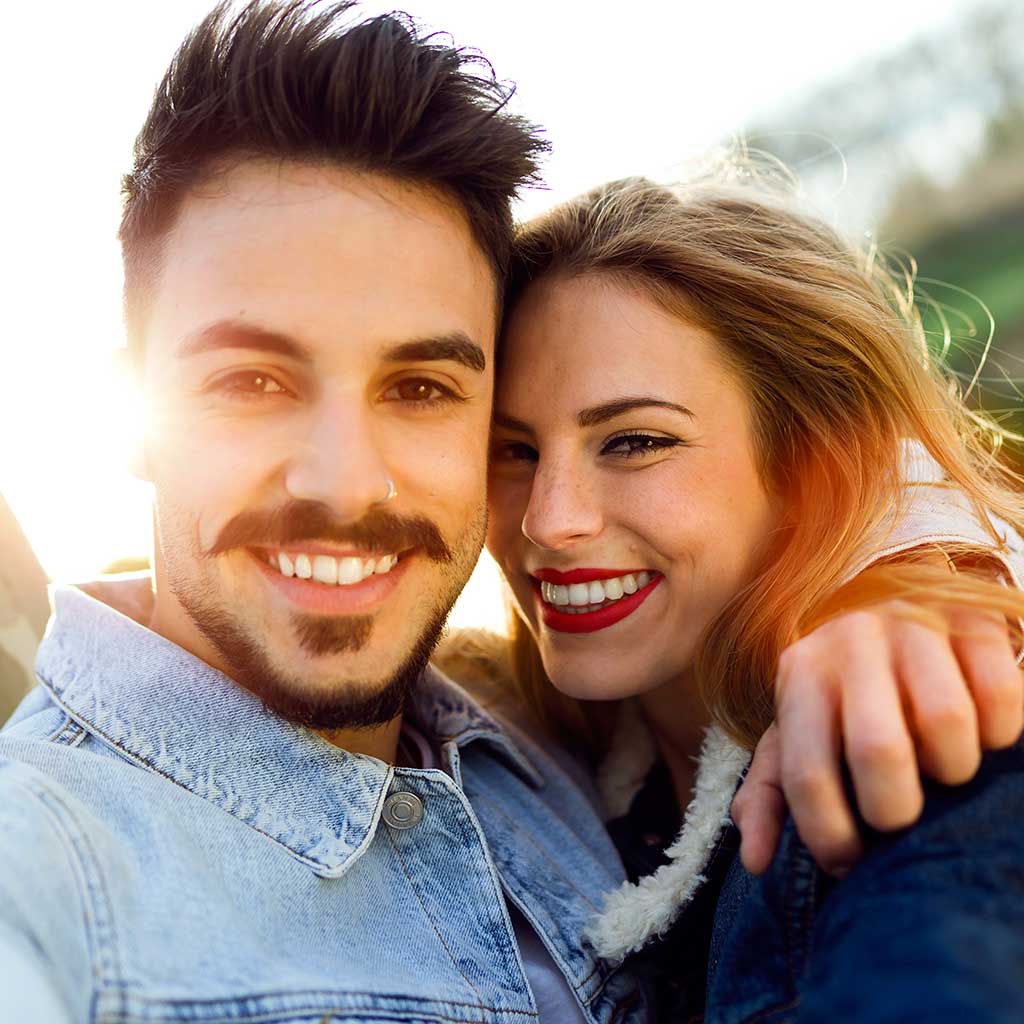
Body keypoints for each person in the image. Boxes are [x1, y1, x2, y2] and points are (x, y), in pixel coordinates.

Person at [0, 3, 1018, 1021]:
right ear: (129, 416)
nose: (347, 484)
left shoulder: (541, 756)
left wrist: (911, 577)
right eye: (252, 382)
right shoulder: (43, 871)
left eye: (422, 389)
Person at [484, 166, 1024, 1021]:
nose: (550, 522)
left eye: (633, 441)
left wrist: (919, 570)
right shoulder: (506, 754)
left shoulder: (916, 733)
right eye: (511, 451)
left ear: (808, 461)